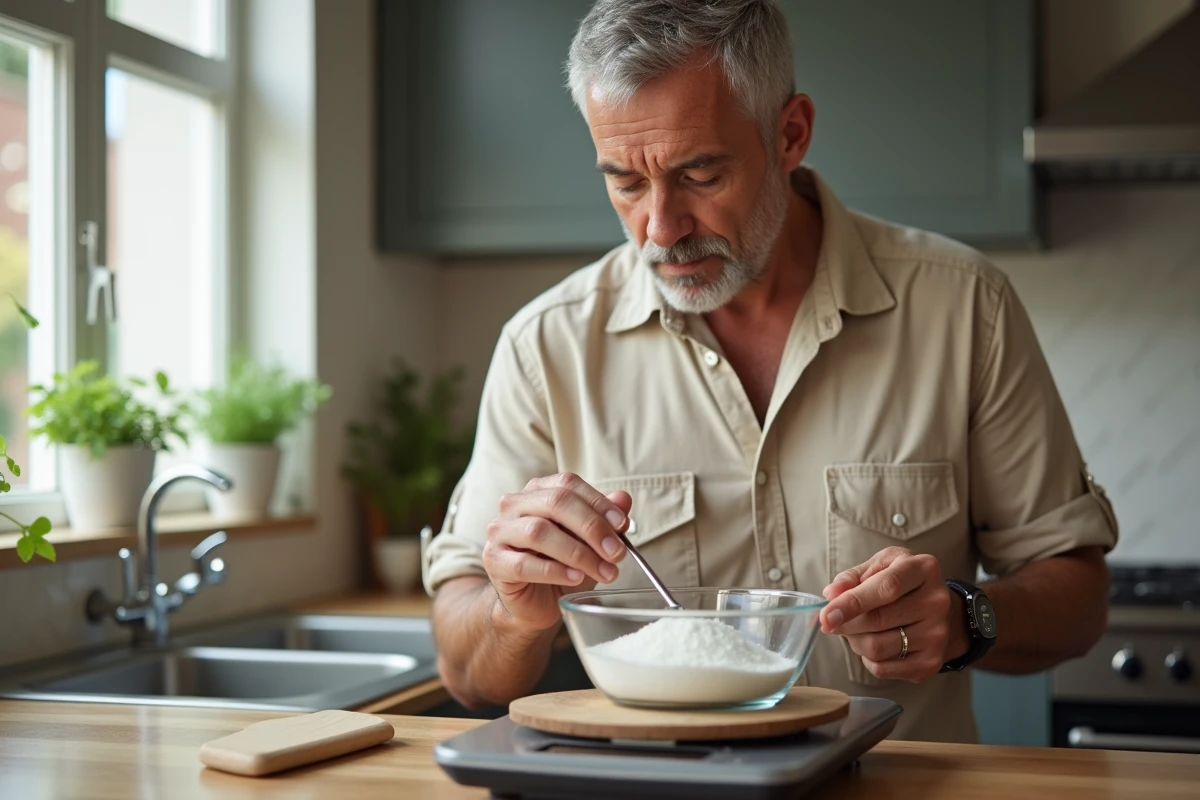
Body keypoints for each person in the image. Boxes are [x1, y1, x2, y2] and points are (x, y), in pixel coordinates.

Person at [423, 0, 1117, 742]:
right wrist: (511, 614)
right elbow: (466, 672)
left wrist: (966, 618)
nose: (661, 228)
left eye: (699, 173)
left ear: (790, 135)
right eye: (625, 181)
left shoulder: (963, 307)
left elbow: (1078, 603)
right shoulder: (546, 347)